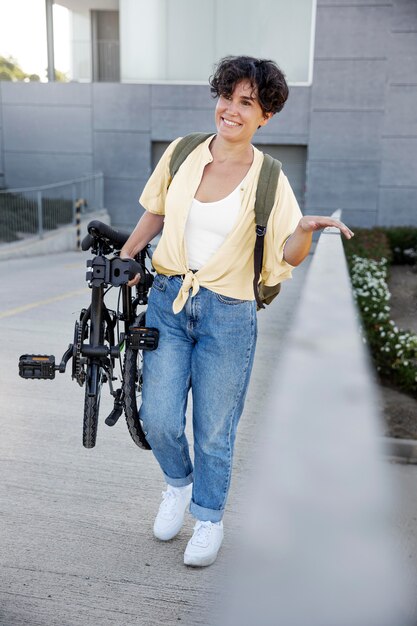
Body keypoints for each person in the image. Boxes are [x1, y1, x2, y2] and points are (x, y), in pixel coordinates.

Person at [121, 55, 354, 568]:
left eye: (246, 102)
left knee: (214, 428)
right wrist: (125, 255)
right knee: (158, 416)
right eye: (227, 96)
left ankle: (208, 519)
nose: (231, 109)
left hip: (229, 314)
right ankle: (177, 487)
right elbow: (155, 210)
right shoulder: (182, 152)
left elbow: (287, 256)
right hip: (168, 302)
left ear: (265, 115)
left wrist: (305, 234)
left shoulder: (270, 178)